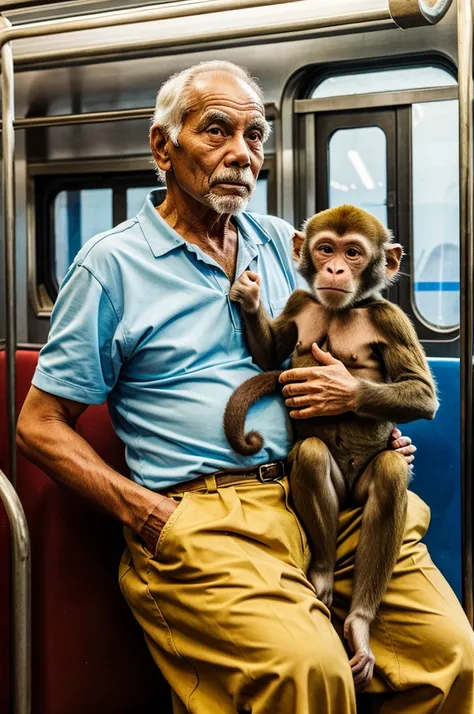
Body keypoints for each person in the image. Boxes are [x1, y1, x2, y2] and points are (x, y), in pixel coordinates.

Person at [17, 61, 474, 714]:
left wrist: (365, 417)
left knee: (449, 653)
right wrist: (146, 513)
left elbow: (327, 347)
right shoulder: (112, 266)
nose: (241, 153)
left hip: (319, 493)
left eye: (255, 135)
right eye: (216, 131)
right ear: (162, 147)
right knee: (307, 672)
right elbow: (38, 425)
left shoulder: (280, 243)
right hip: (209, 516)